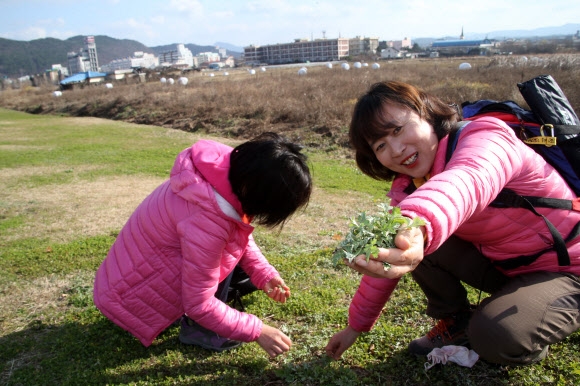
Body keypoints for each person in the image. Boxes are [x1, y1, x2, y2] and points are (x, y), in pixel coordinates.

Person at [325, 80, 580, 366]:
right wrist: (355, 327)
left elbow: (467, 179)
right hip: (508, 268)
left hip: (567, 268)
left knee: (494, 336)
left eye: (398, 129)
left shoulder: (486, 137)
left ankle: (529, 329)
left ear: (427, 114)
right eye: (381, 145)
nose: (395, 150)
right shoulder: (409, 188)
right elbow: (388, 260)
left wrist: (417, 224)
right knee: (405, 238)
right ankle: (458, 321)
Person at [94, 132, 312, 357]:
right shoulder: (208, 220)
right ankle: (200, 330)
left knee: (238, 273)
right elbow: (198, 303)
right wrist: (258, 330)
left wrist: (264, 273)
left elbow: (237, 232)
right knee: (214, 277)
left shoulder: (222, 174)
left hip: (127, 279)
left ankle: (217, 310)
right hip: (129, 296)